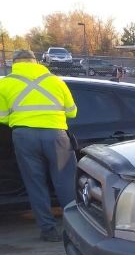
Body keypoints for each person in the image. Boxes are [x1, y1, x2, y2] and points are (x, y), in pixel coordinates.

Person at [0, 49, 78, 241]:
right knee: (65, 184)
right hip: (56, 136)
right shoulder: (56, 81)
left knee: (35, 184)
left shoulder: (4, 84)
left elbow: (2, 116)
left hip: (24, 136)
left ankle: (48, 230)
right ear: (36, 62)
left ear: (14, 63)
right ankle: (75, 230)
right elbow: (72, 112)